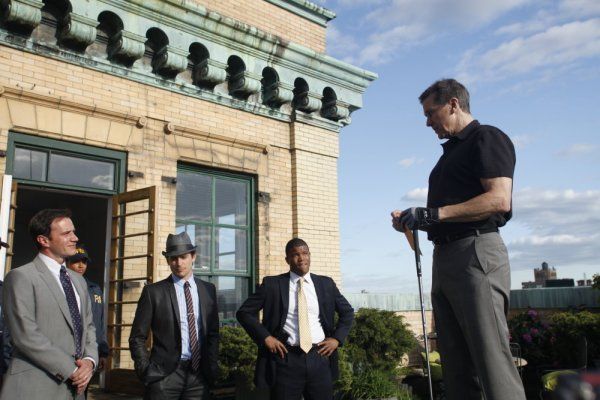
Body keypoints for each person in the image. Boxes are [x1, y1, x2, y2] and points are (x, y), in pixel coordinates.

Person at [391, 78, 526, 400]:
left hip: (476, 253)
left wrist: (434, 215)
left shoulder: (487, 137)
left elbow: (498, 200)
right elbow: (448, 213)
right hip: (447, 256)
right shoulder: (449, 155)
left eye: (430, 112)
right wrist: (417, 221)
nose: (427, 122)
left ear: (453, 104)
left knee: (490, 358)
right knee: (456, 364)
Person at [236, 238, 354, 400]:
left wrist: (336, 339)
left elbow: (347, 312)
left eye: (305, 253)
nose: (301, 258)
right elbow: (244, 313)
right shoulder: (272, 285)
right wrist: (266, 337)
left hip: (319, 357)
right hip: (286, 360)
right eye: (295, 255)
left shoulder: (325, 284)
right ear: (287, 260)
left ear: (310, 255)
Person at [0, 209, 98, 400]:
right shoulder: (21, 277)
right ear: (43, 240)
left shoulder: (79, 281)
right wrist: (71, 369)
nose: (75, 238)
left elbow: (89, 327)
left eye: (74, 231)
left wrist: (89, 361)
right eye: (66, 233)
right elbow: (26, 335)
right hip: (35, 387)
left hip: (76, 389)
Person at [129, 232, 219, 400]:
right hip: (163, 377)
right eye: (173, 258)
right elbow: (137, 337)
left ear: (193, 256)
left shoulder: (208, 290)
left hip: (198, 376)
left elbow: (213, 332)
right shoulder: (153, 292)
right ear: (168, 260)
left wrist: (212, 365)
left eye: (183, 257)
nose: (178, 263)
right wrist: (145, 370)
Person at [66, 244, 109, 394]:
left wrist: (102, 352)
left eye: (84, 262)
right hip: (68, 354)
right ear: (67, 263)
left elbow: (99, 322)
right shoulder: (62, 286)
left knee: (82, 392)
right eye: (76, 261)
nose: (80, 265)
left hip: (89, 353)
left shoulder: (94, 289)